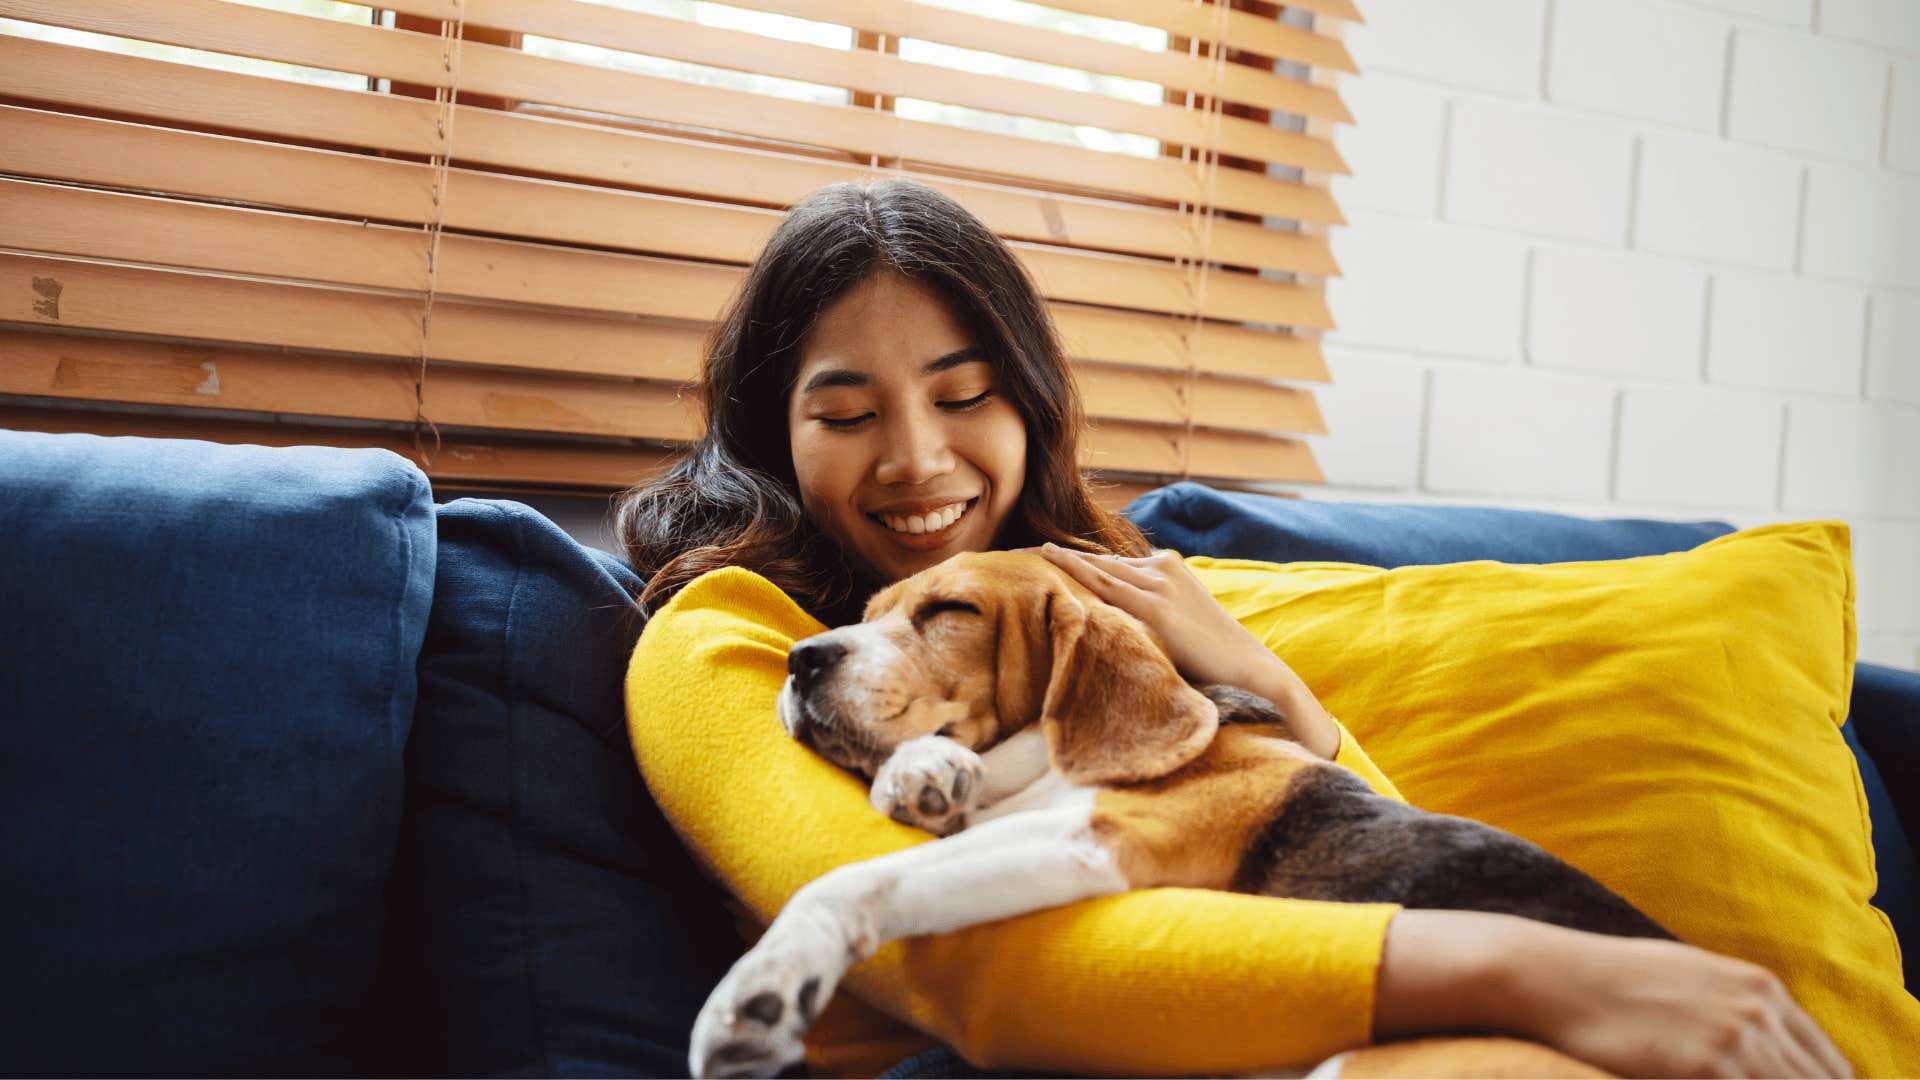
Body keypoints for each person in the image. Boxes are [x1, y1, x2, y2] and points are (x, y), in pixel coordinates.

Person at [615, 179, 1849, 1079]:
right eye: (846, 412)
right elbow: (985, 968)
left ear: (1029, 405)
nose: (918, 459)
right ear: (767, 429)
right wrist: (1549, 972)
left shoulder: (1108, 619)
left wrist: (1259, 681)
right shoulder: (722, 638)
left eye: (964, 395)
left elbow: (1340, 855)